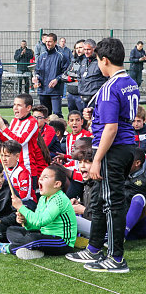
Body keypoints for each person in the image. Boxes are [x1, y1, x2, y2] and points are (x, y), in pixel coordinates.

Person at [66, 38, 140, 273]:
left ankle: (116, 257)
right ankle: (95, 248)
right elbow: (115, 117)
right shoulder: (129, 81)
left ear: (104, 60)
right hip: (125, 147)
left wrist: (96, 159)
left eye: (97, 60)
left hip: (113, 149)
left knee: (112, 204)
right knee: (100, 199)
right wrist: (92, 115)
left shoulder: (109, 87)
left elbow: (111, 127)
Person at [0, 165, 77, 259]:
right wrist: (25, 221)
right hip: (44, 235)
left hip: (62, 242)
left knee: (33, 239)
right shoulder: (43, 198)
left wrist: (21, 207)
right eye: (40, 176)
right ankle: (34, 249)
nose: (40, 179)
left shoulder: (59, 199)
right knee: (12, 230)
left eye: (45, 177)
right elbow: (36, 226)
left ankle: (6, 248)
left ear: (57, 184)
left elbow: (40, 221)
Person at [0, 94, 43, 190]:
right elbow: (7, 141)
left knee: (25, 199)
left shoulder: (32, 122)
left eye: (19, 105)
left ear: (28, 108)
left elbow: (19, 143)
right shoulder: (14, 121)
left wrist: (3, 127)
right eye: (14, 105)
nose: (15, 108)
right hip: (11, 165)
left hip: (26, 167)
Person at [32, 33, 68, 118]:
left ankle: (59, 131)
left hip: (55, 90)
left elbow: (66, 72)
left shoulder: (61, 56)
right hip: (43, 90)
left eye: (50, 42)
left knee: (56, 115)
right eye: (46, 41)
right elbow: (37, 70)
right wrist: (36, 78)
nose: (47, 43)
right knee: (44, 116)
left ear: (55, 42)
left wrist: (57, 79)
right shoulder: (42, 56)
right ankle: (45, 131)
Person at [1, 140, 37, 208]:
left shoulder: (22, 172)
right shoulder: (2, 170)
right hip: (8, 200)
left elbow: (25, 195)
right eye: (2, 155)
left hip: (25, 202)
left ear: (17, 156)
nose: (3, 159)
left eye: (7, 156)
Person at [78, 39, 108, 108]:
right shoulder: (83, 61)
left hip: (96, 98)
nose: (86, 52)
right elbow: (79, 78)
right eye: (84, 49)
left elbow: (107, 78)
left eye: (88, 49)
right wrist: (80, 92)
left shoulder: (100, 62)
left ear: (94, 49)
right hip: (84, 97)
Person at [64, 39, 85, 112]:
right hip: (71, 94)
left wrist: (73, 76)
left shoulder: (89, 62)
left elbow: (83, 77)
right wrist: (72, 78)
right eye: (76, 48)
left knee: (83, 118)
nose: (78, 50)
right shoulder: (73, 62)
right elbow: (64, 76)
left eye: (80, 48)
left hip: (81, 95)